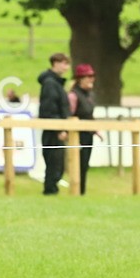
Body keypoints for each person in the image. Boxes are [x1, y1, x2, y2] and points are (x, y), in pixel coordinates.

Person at [37, 52, 71, 195]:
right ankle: (50, 191)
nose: (66, 67)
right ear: (55, 63)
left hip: (57, 128)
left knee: (58, 163)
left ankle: (52, 190)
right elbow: (50, 109)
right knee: (54, 164)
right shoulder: (51, 84)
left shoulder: (55, 83)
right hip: (53, 130)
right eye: (64, 63)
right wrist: (60, 129)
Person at [67, 63, 98, 195]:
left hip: (88, 134)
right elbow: (69, 115)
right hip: (77, 135)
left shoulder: (90, 95)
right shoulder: (74, 96)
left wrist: (95, 129)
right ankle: (76, 191)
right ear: (80, 79)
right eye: (89, 76)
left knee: (84, 165)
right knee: (78, 164)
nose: (92, 79)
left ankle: (82, 192)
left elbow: (89, 115)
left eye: (93, 76)